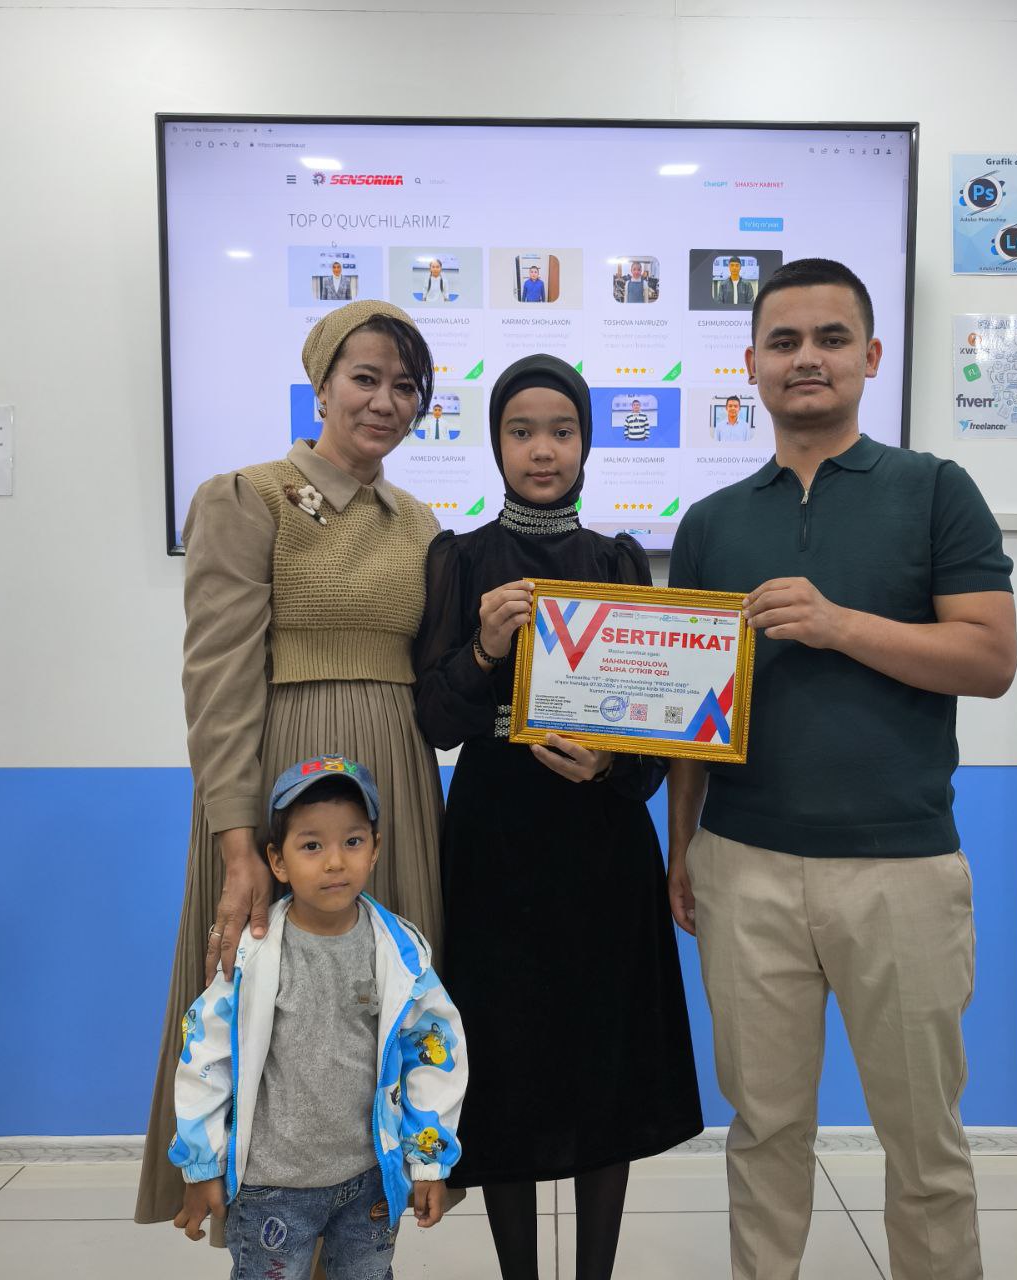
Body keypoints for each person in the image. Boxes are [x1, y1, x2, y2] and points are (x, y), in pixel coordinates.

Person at [667, 259, 1017, 1280]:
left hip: (901, 868)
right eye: (783, 342)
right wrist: (683, 845)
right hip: (742, 864)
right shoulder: (710, 522)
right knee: (763, 1129)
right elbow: (693, 711)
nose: (805, 358)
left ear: (871, 356)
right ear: (750, 365)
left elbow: (989, 659)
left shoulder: (934, 490)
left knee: (923, 1141)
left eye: (829, 338)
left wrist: (839, 624)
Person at [136, 299, 447, 1239]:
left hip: (394, 786)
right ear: (321, 384)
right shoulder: (246, 496)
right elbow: (218, 676)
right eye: (365, 378)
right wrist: (240, 845)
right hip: (287, 783)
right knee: (273, 1015)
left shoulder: (420, 521)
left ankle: (361, 1235)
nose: (385, 402)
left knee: (382, 1018)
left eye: (405, 386)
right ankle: (275, 1241)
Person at [413, 354, 703, 1279]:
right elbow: (435, 720)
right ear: (495, 443)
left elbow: (658, 733)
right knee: (503, 1065)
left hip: (601, 844)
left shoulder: (618, 560)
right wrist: (484, 648)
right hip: (495, 843)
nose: (543, 450)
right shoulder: (459, 559)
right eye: (522, 431)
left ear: (587, 442)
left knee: (602, 1066)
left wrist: (613, 763)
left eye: (562, 431)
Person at [170, 755, 467, 1279]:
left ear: (375, 849)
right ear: (277, 861)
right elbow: (205, 1059)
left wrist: (429, 1164)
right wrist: (201, 1165)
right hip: (273, 1187)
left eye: (352, 841)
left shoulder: (400, 954)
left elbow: (433, 1056)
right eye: (311, 846)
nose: (334, 862)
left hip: (370, 1181)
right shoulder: (252, 957)